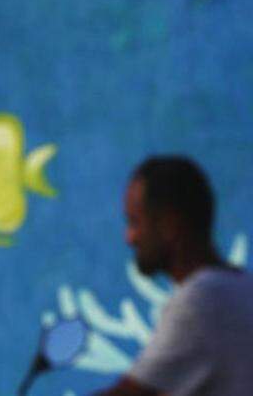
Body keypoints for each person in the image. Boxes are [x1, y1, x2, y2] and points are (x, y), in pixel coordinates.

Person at [95, 156, 253, 396]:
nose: (130, 238)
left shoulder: (200, 300)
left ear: (169, 225)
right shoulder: (242, 288)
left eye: (135, 222)